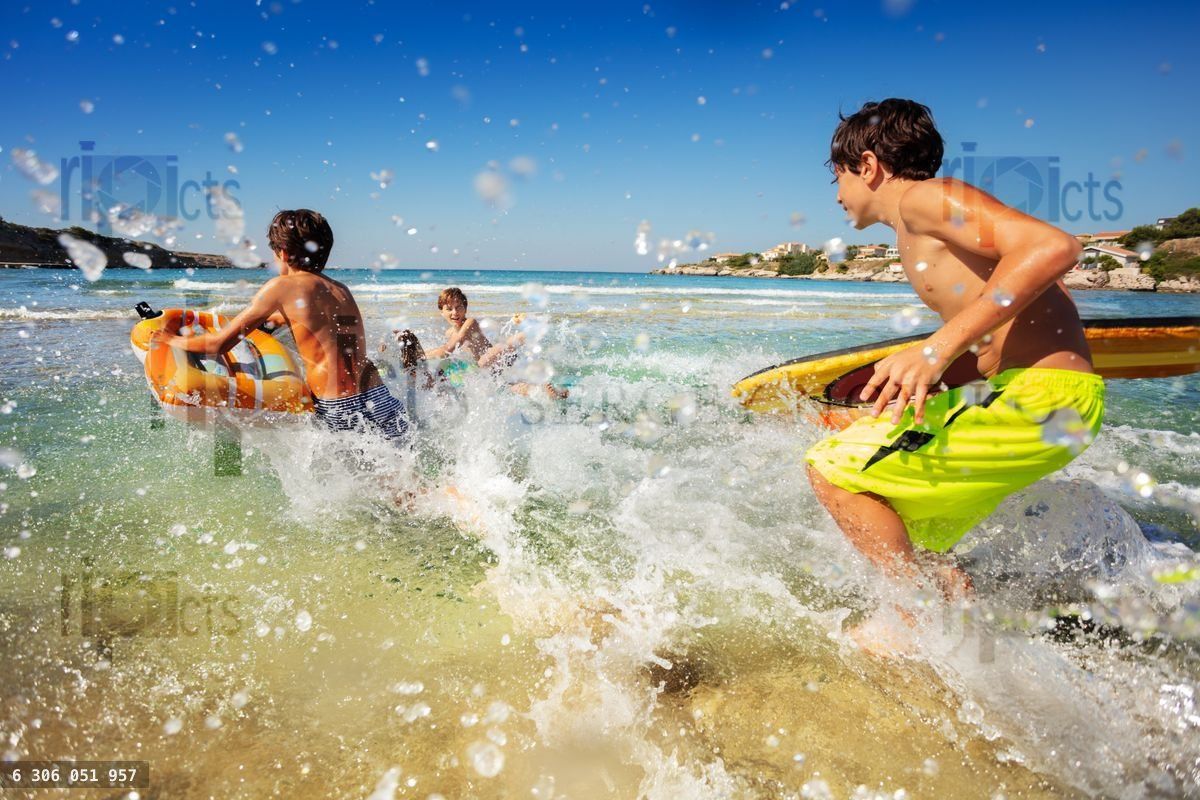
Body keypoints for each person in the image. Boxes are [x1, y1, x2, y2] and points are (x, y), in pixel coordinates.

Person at [804, 99, 1104, 602]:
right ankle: (953, 634)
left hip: (1040, 400)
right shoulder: (920, 224)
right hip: (1044, 402)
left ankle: (908, 619)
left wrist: (933, 350)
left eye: (837, 177)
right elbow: (1017, 320)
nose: (836, 195)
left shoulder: (924, 200)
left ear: (869, 166)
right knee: (899, 526)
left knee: (831, 470)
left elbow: (1053, 248)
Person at [152, 209, 407, 441]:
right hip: (378, 395)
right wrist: (266, 325)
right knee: (402, 479)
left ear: (283, 253)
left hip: (337, 405)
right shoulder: (340, 290)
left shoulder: (281, 287)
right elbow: (309, 323)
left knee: (377, 482)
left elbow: (219, 344)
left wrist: (171, 340)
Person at [407, 287, 567, 399]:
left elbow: (448, 348)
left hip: (497, 359)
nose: (455, 312)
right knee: (508, 388)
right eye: (449, 309)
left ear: (465, 308)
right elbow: (452, 356)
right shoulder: (449, 332)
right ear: (441, 311)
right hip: (489, 370)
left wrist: (416, 355)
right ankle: (543, 391)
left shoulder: (469, 322)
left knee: (485, 360)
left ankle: (529, 330)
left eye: (459, 307)